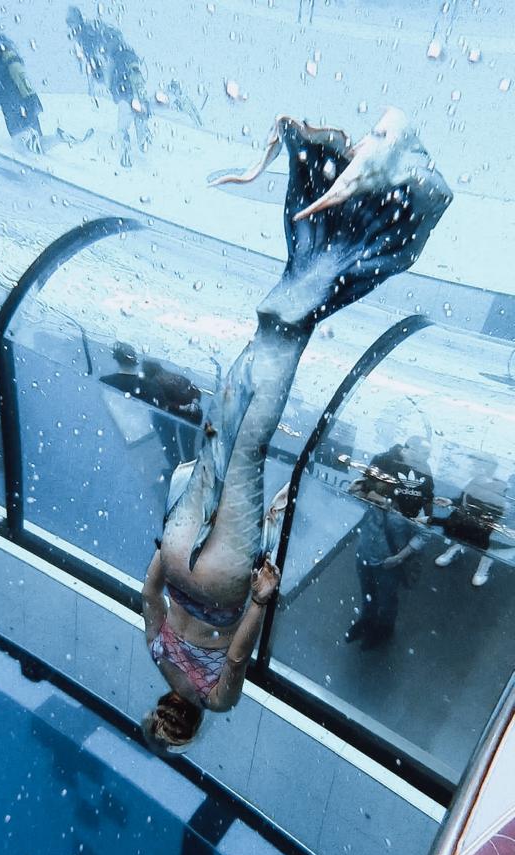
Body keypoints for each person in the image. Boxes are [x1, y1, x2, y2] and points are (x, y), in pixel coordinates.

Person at [140, 108, 452, 751]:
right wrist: (169, 553)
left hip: (220, 586)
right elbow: (149, 597)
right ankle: (292, 290)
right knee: (219, 438)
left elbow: (236, 655)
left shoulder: (214, 699)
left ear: (190, 721)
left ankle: (323, 266)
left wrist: (259, 598)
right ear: (162, 708)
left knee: (246, 449)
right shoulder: (158, 659)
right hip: (177, 556)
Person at [0, 0, 90, 155]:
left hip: (7, 93)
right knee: (35, 139)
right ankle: (58, 137)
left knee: (20, 144)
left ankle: (58, 138)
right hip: (24, 89)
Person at [345, 447, 431, 650]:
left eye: (379, 479)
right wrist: (357, 489)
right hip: (365, 553)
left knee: (387, 598)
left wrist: (399, 558)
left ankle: (384, 629)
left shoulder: (409, 504)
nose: (374, 483)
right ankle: (366, 621)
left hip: (389, 561)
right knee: (367, 591)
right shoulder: (371, 492)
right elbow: (354, 501)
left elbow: (424, 534)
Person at [100, 342, 203, 478]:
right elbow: (193, 391)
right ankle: (189, 467)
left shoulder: (150, 383)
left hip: (173, 417)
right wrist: (193, 404)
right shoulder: (169, 379)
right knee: (187, 444)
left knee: (170, 443)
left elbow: (163, 405)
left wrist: (181, 408)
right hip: (192, 415)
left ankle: (178, 469)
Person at [66, 6, 151, 166]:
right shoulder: (98, 29)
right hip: (131, 59)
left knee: (124, 98)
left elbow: (94, 61)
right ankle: (143, 131)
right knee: (136, 96)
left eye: (70, 23)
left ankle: (126, 141)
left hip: (118, 64)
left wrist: (97, 75)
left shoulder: (86, 35)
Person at [435, 457, 507, 586]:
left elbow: (500, 514)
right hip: (469, 522)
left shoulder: (500, 488)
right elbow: (463, 500)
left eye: (473, 465)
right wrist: (451, 501)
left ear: (483, 469)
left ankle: (485, 564)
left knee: (489, 543)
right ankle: (458, 547)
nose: (469, 468)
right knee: (464, 531)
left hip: (487, 527)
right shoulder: (475, 481)